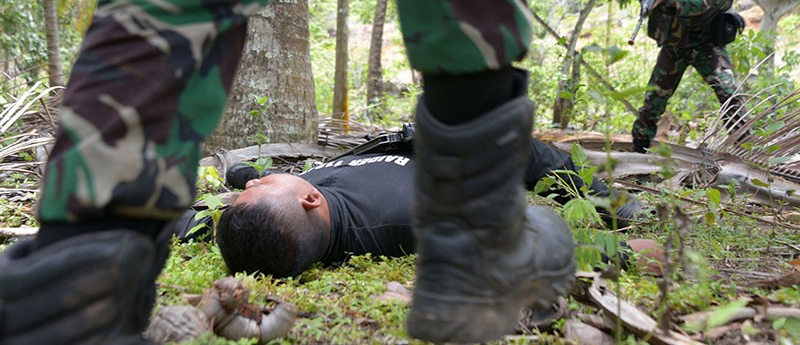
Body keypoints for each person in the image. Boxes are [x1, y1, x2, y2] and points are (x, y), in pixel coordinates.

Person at [0, 0, 575, 343]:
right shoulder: (370, 215)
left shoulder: (315, 205)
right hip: (447, 188)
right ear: (303, 199)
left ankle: (73, 287)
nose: (248, 186)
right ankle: (477, 222)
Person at [200, 135, 644, 278]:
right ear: (309, 198)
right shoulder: (410, 218)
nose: (257, 182)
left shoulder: (284, 215)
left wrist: (239, 177)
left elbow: (228, 212)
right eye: (259, 186)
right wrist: (615, 253)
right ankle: (615, 205)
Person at [631, 0, 747, 154]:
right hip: (675, 45)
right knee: (652, 104)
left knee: (730, 96)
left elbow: (701, 3)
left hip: (707, 44)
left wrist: (669, 0)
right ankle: (638, 157)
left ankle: (750, 155)